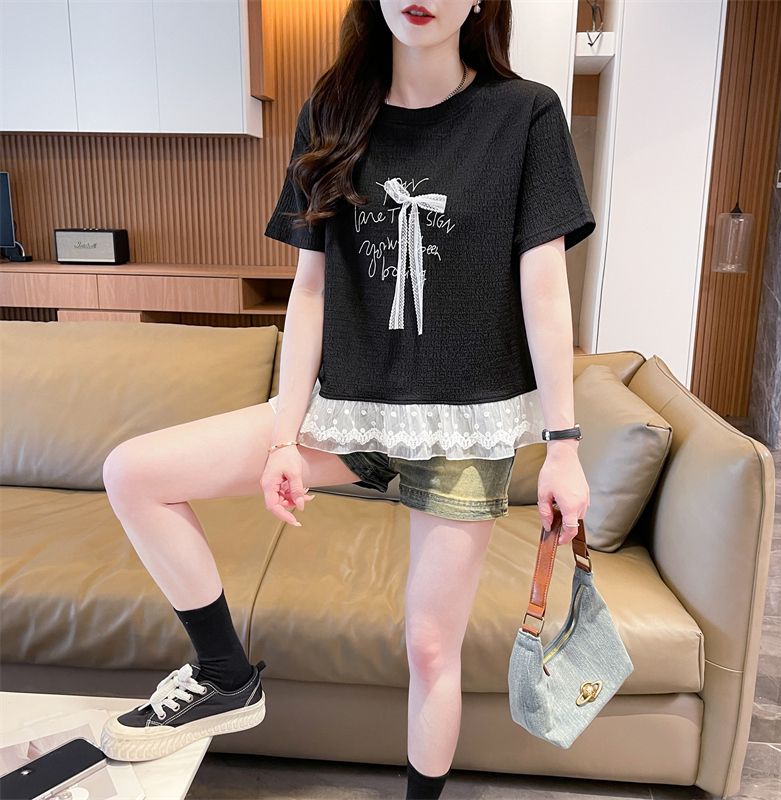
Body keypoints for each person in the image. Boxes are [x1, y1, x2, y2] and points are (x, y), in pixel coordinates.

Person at [99, 1, 594, 797]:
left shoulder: (525, 114)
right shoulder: (333, 111)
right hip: (349, 412)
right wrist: (284, 437)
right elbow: (312, 290)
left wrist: (564, 446)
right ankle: (224, 673)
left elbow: (545, 288)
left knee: (430, 648)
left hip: (465, 429)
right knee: (133, 472)